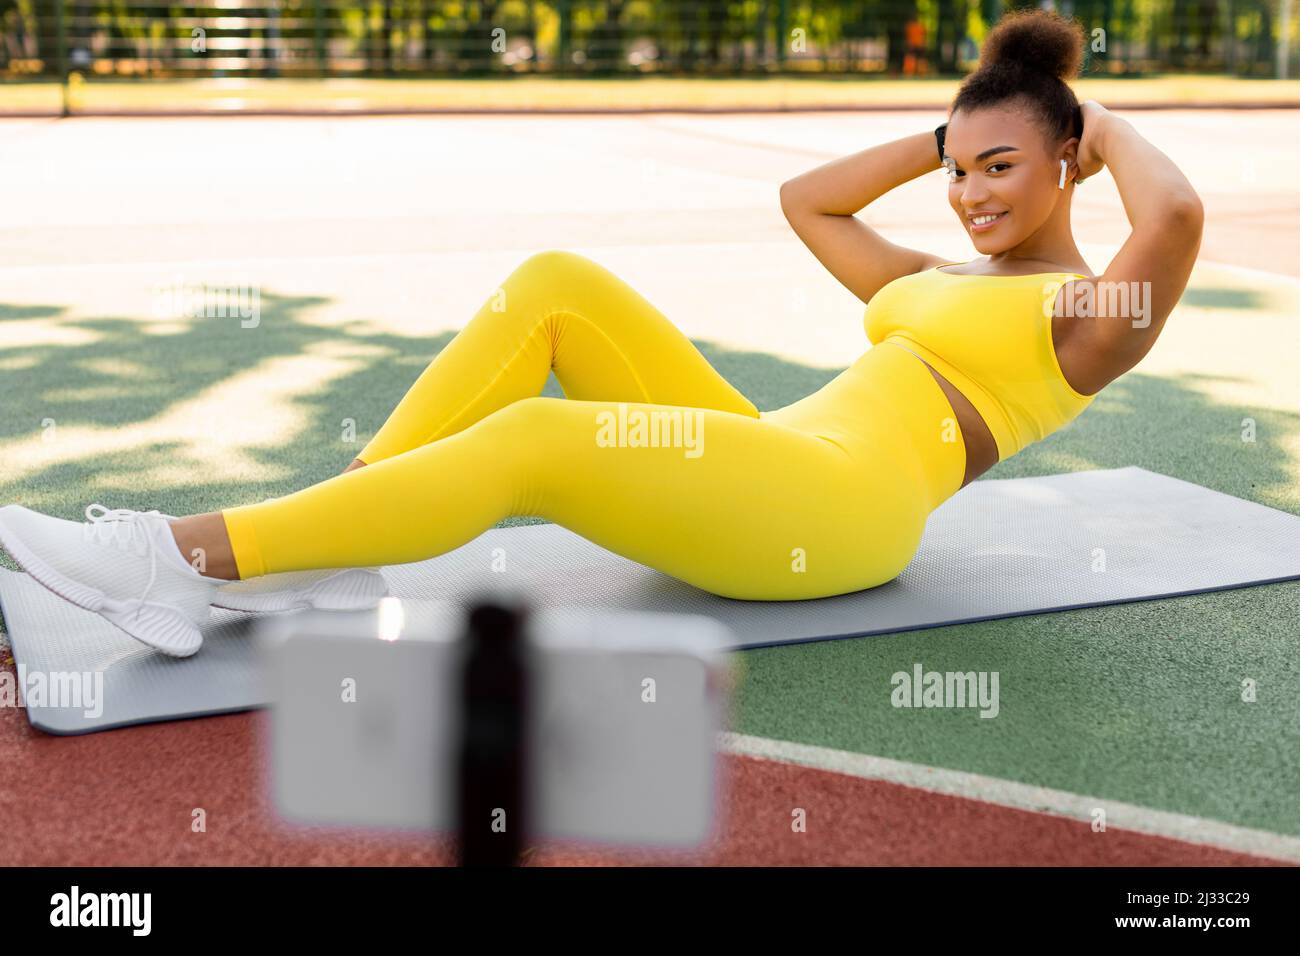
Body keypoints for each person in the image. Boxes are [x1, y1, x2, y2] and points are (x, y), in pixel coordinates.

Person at [0, 11, 1203, 657]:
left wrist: (1098, 119)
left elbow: (1180, 213)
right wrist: (943, 136)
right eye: (959, 171)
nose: (971, 194)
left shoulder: (1086, 319)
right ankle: (322, 542)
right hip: (771, 454)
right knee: (557, 280)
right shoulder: (933, 271)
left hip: (836, 514)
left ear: (1069, 166)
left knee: (534, 436)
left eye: (1003, 168)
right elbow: (808, 202)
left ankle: (177, 559)